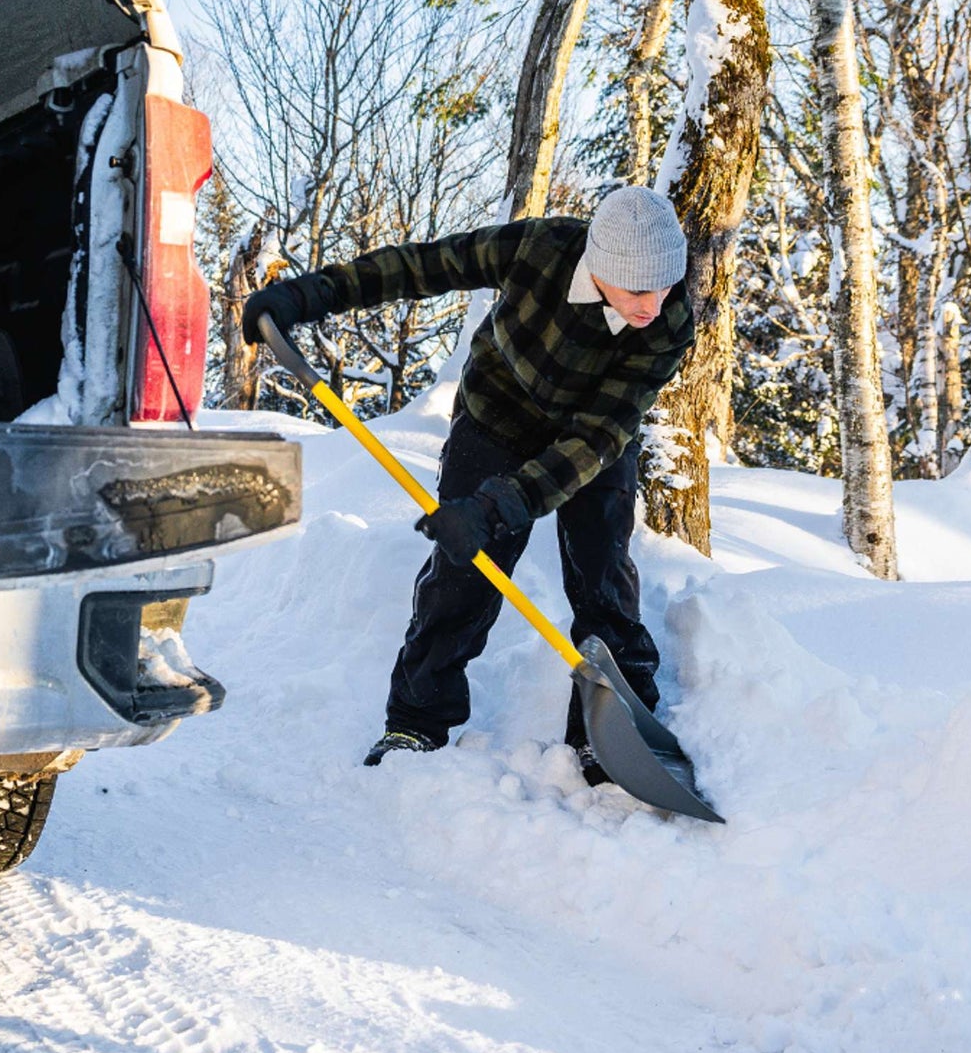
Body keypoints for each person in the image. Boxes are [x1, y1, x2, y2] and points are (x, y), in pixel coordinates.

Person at [242, 186, 694, 778]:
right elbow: (424, 265)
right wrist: (313, 294)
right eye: (639, 289)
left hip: (589, 442)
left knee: (603, 578)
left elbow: (600, 437)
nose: (654, 303)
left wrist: (501, 504)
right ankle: (414, 724)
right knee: (461, 576)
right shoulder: (540, 249)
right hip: (496, 419)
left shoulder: (668, 322)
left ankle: (610, 735)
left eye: (665, 285)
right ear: (599, 266)